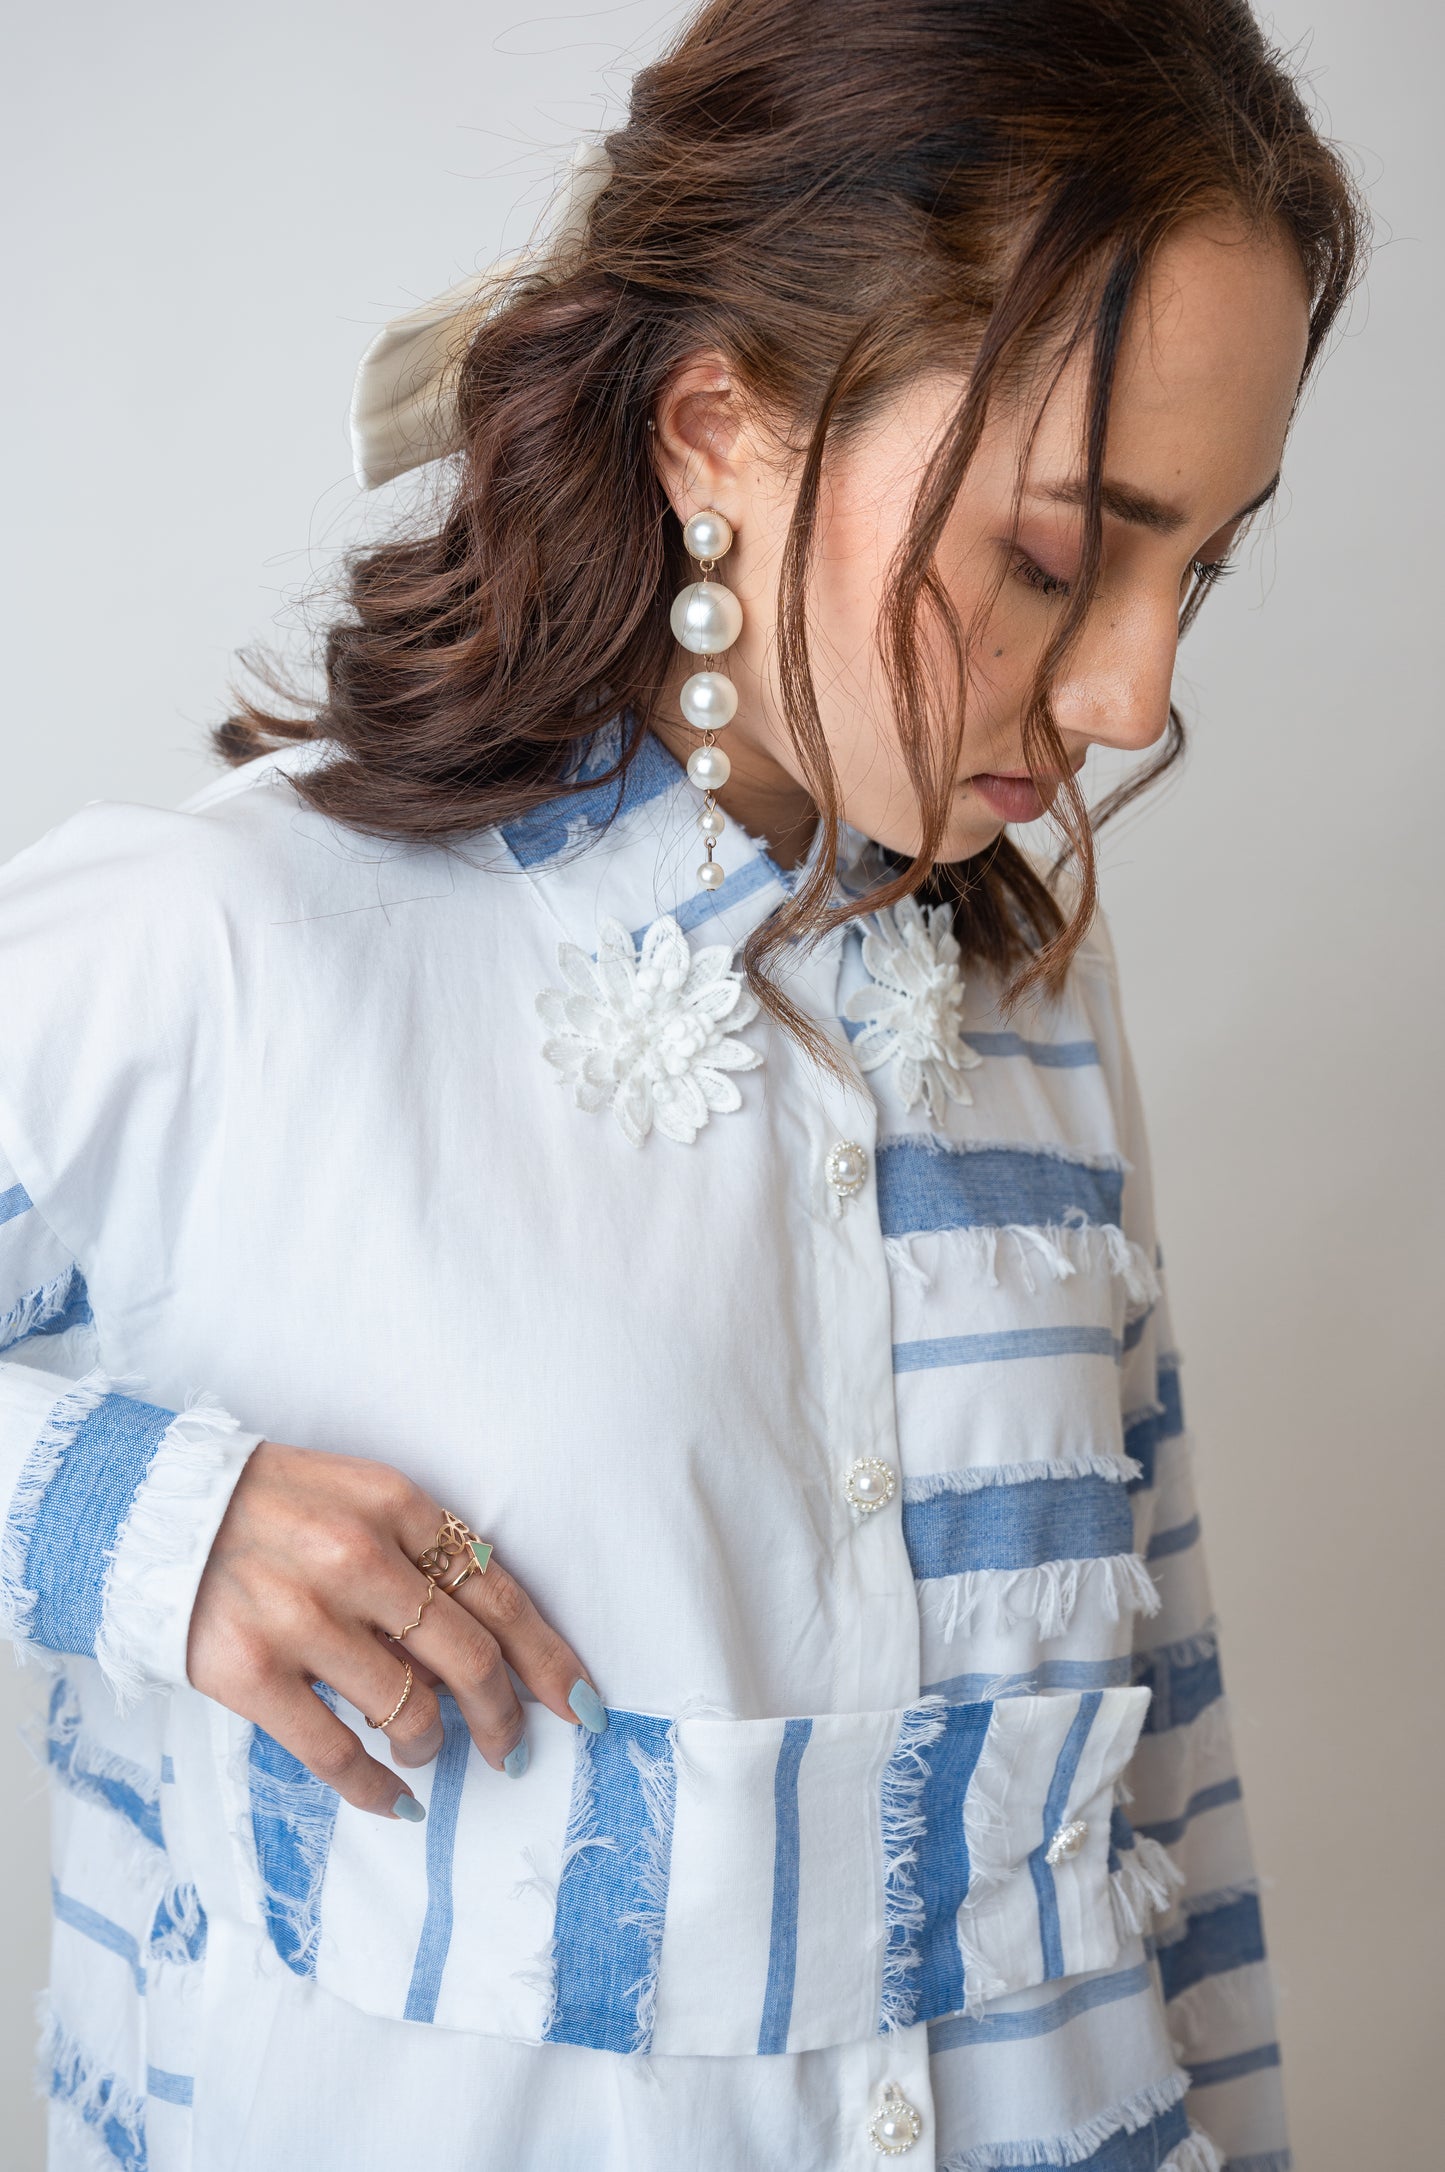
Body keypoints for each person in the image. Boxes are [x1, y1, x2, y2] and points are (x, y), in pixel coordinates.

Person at [0, 2, 1365, 2166]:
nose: (1128, 692)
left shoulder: (1027, 1015)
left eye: (1194, 565)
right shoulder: (228, 955)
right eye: (1053, 553)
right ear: (718, 422)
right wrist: (143, 1527)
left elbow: (1165, 1787)